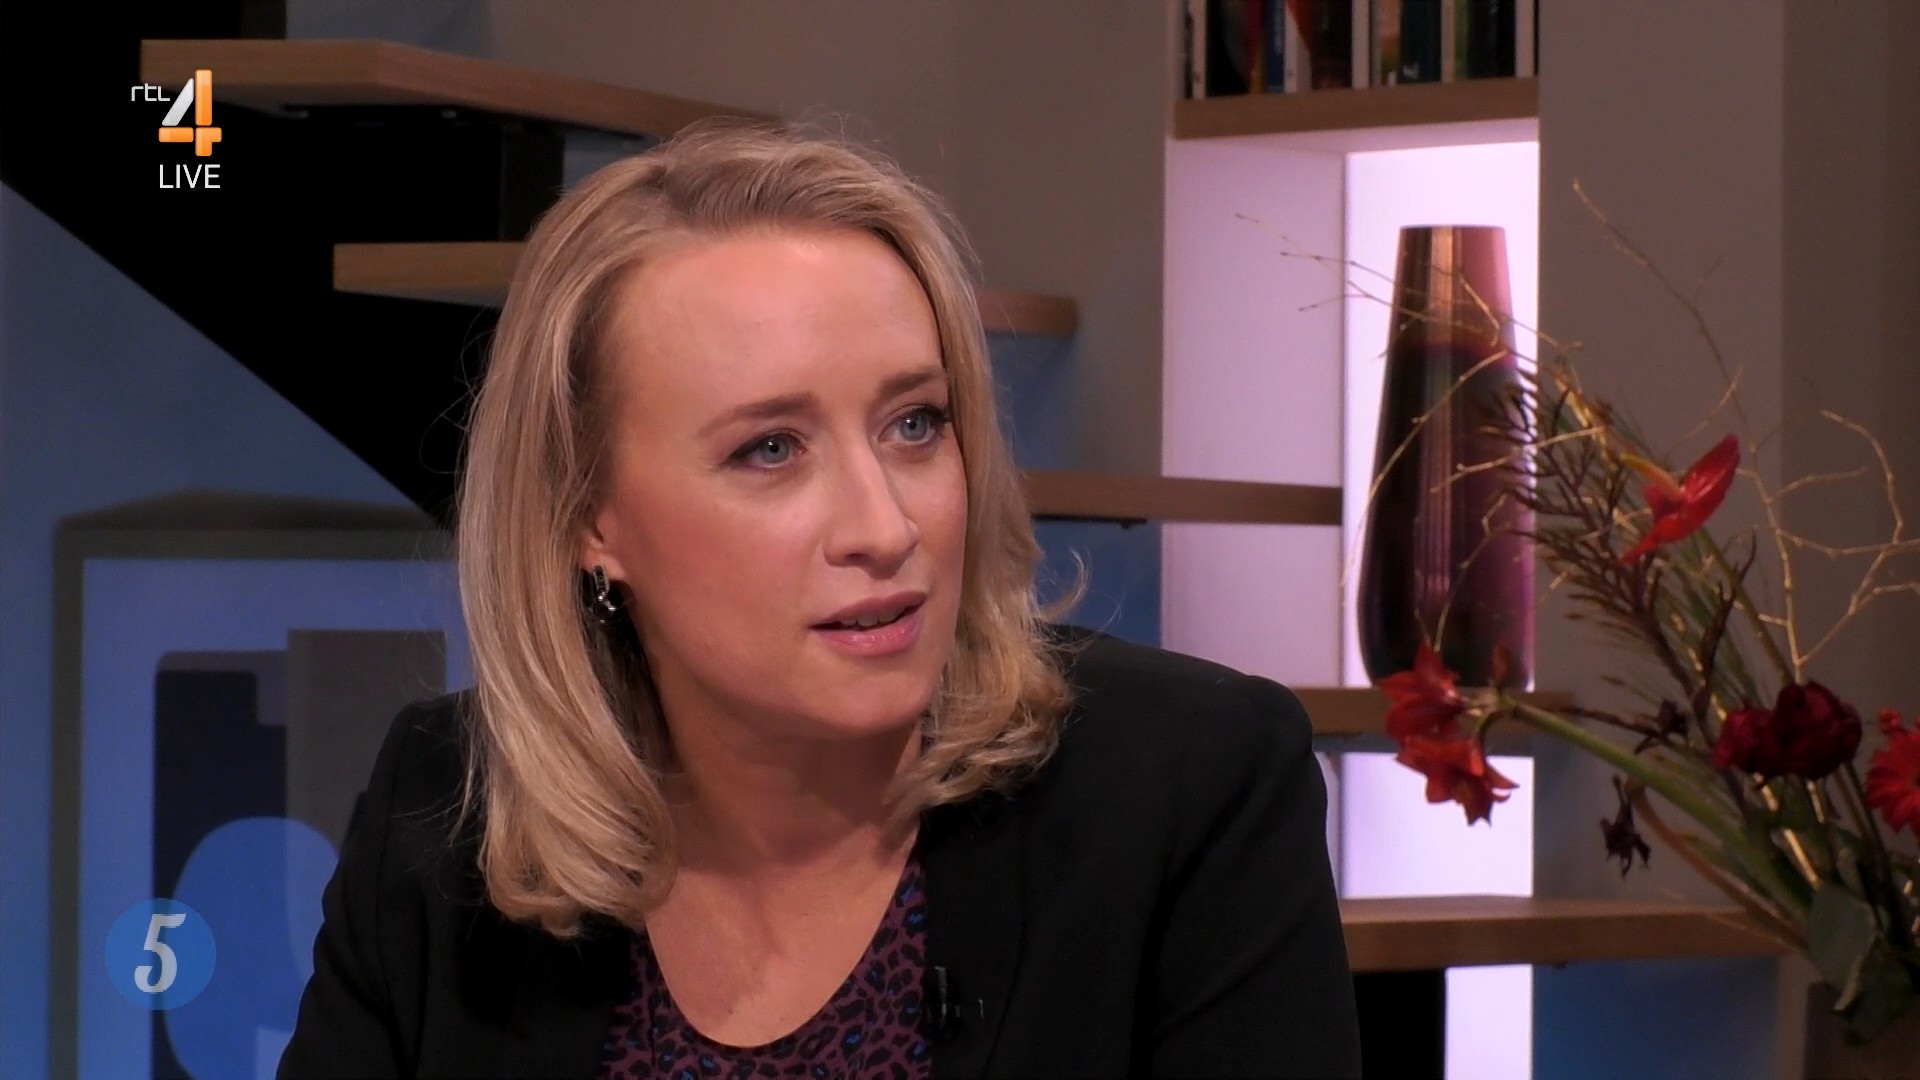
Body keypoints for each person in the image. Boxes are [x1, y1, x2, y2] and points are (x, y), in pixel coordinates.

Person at [278, 119, 1360, 1079]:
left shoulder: (1186, 792)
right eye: (771, 449)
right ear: (588, 518)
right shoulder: (447, 812)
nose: (884, 528)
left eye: (915, 424)